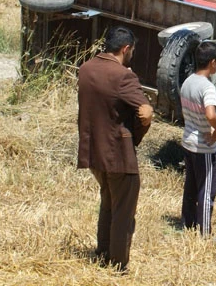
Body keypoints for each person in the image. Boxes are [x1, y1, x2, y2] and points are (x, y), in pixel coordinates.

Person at [77, 26, 154, 272]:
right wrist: (134, 138)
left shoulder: (86, 68)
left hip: (93, 150)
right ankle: (118, 264)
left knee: (108, 204)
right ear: (125, 49)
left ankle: (102, 253)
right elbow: (145, 112)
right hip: (119, 154)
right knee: (123, 212)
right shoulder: (123, 76)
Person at [180, 41, 216, 237]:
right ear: (212, 62)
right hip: (203, 146)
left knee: (190, 188)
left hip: (188, 141)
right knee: (206, 191)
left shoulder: (188, 81)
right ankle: (205, 233)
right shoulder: (208, 88)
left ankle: (187, 225)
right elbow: (210, 114)